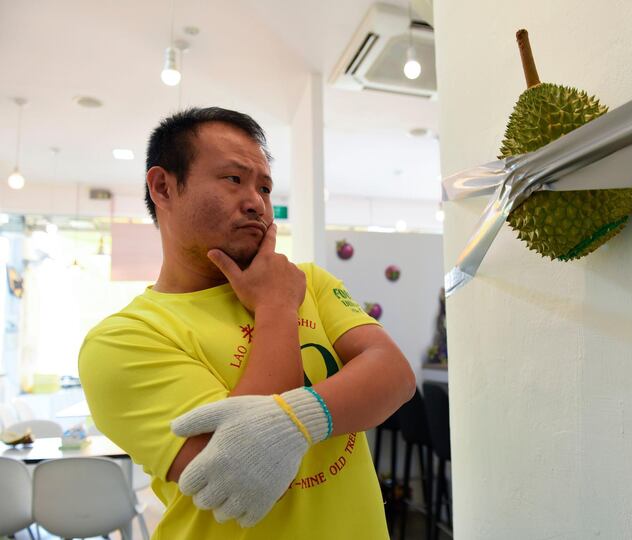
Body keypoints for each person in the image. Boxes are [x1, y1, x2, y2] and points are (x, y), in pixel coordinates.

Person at [79, 107, 416, 539]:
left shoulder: (307, 281)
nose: (257, 202)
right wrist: (276, 308)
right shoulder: (124, 340)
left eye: (265, 186)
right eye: (234, 179)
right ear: (163, 187)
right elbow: (243, 474)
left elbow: (394, 374)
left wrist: (298, 421)